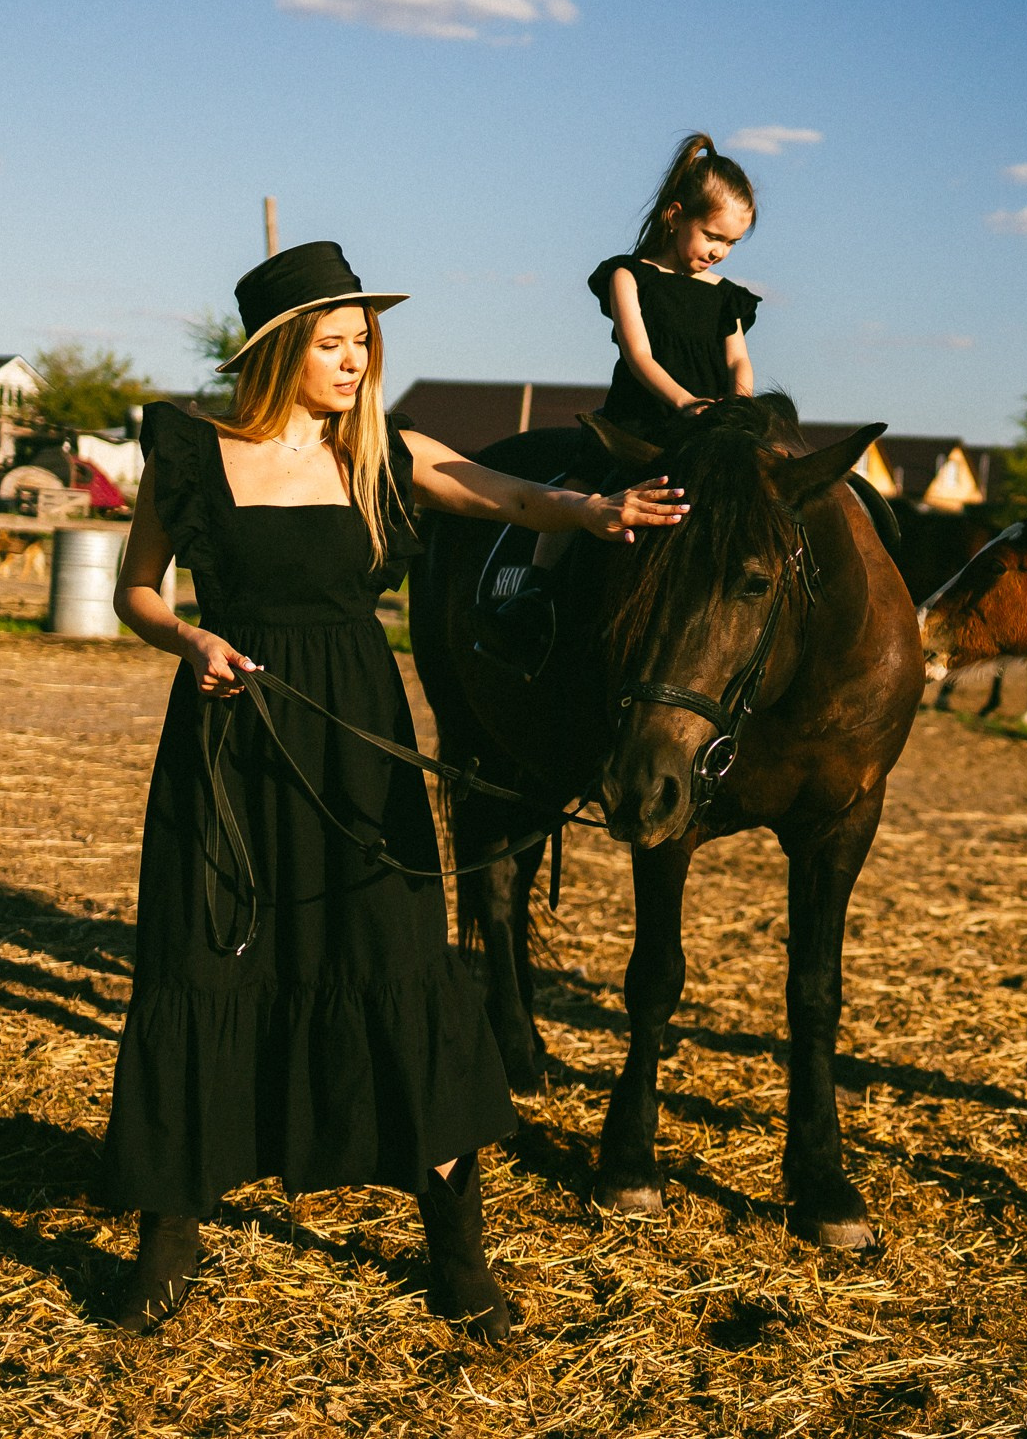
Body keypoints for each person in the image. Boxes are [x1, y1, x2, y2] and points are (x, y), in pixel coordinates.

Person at [100, 240, 686, 1339]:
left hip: (358, 741)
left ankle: (455, 1248)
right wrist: (188, 639)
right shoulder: (192, 455)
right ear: (279, 352)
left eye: (363, 340)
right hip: (230, 744)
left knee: (394, 963)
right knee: (204, 959)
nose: (356, 359)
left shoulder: (376, 454)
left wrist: (599, 515)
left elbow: (503, 491)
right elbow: (137, 588)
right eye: (333, 343)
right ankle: (171, 1233)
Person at [474, 132, 760, 671]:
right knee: (582, 485)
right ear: (676, 215)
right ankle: (535, 595)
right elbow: (639, 355)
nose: (719, 251)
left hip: (710, 425)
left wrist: (736, 407)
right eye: (712, 235)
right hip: (639, 420)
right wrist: (683, 403)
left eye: (731, 243)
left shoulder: (727, 295)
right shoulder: (628, 276)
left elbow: (739, 361)